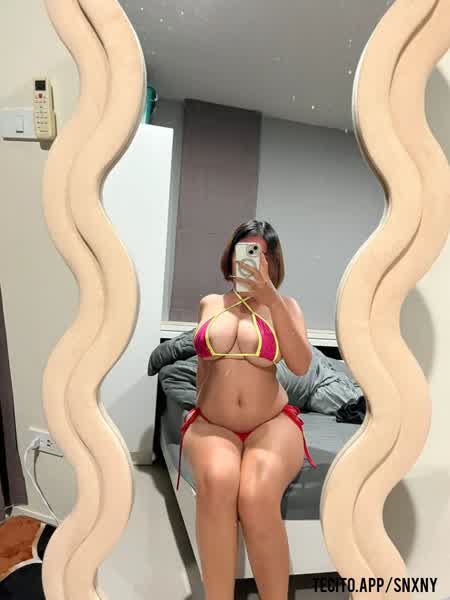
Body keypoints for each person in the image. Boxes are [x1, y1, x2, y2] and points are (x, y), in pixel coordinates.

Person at [178, 219, 317, 600]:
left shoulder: (286, 307)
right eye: (246, 251)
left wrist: (271, 298)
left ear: (273, 262)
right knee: (218, 480)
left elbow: (301, 365)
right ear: (232, 254)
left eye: (262, 254)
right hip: (213, 424)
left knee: (256, 494)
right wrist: (203, 406)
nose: (253, 260)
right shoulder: (210, 303)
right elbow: (203, 366)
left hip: (271, 423)